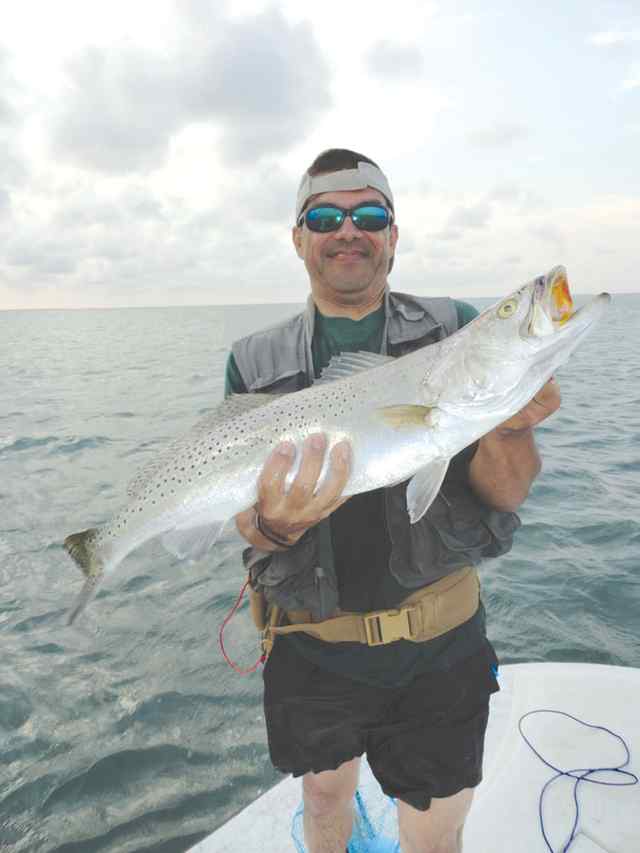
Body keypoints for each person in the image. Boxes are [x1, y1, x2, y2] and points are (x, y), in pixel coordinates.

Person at [224, 149, 560, 853]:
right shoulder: (252, 361)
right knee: (323, 799)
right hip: (309, 648)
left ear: (394, 235)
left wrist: (511, 424)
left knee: (434, 834)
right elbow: (245, 520)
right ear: (299, 238)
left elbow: (507, 492)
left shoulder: (453, 329)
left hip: (440, 649)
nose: (349, 230)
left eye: (369, 214)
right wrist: (273, 527)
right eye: (325, 217)